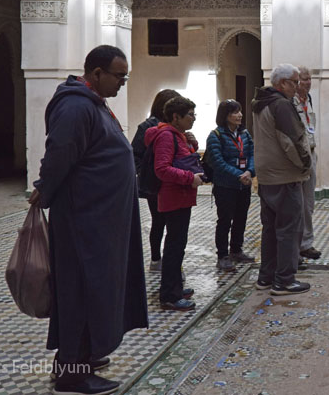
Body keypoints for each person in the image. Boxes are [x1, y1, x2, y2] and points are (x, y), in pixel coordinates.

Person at [29, 45, 147, 395]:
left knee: (97, 290)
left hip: (100, 221)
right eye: (119, 76)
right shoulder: (75, 106)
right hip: (84, 222)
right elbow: (59, 155)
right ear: (96, 73)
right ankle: (71, 374)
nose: (122, 84)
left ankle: (83, 355)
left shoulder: (92, 104)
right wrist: (44, 190)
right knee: (81, 292)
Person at [251, 63, 312, 295]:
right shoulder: (281, 105)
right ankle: (285, 280)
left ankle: (266, 278)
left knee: (270, 229)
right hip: (285, 176)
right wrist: (305, 165)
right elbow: (291, 142)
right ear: (283, 83)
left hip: (267, 177)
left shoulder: (261, 103)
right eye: (295, 82)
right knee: (289, 229)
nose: (298, 87)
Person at [145, 96, 203, 311]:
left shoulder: (178, 135)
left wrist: (192, 144)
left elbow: (183, 159)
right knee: (173, 247)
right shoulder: (166, 137)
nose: (194, 118)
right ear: (176, 117)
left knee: (177, 246)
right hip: (173, 197)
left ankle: (175, 286)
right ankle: (169, 295)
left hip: (181, 197)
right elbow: (162, 168)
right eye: (190, 115)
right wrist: (190, 179)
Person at [132, 88, 180, 272]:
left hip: (173, 181)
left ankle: (170, 262)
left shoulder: (176, 124)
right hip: (155, 184)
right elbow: (135, 154)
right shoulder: (147, 127)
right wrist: (146, 173)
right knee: (158, 221)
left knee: (173, 223)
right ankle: (156, 259)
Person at [206, 99, 256, 272]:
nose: (239, 115)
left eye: (240, 111)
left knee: (241, 218)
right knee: (225, 220)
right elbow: (217, 162)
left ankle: (236, 250)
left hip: (244, 185)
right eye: (235, 112)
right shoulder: (216, 136)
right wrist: (239, 175)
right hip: (225, 186)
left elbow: (252, 154)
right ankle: (222, 255)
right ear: (225, 116)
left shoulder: (245, 134)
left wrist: (250, 171)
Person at [292, 67, 322, 263]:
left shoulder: (308, 99)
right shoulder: (289, 102)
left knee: (308, 204)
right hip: (296, 158)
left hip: (311, 154)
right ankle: (294, 248)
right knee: (296, 205)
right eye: (304, 79)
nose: (308, 82)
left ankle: (306, 244)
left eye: (310, 79)